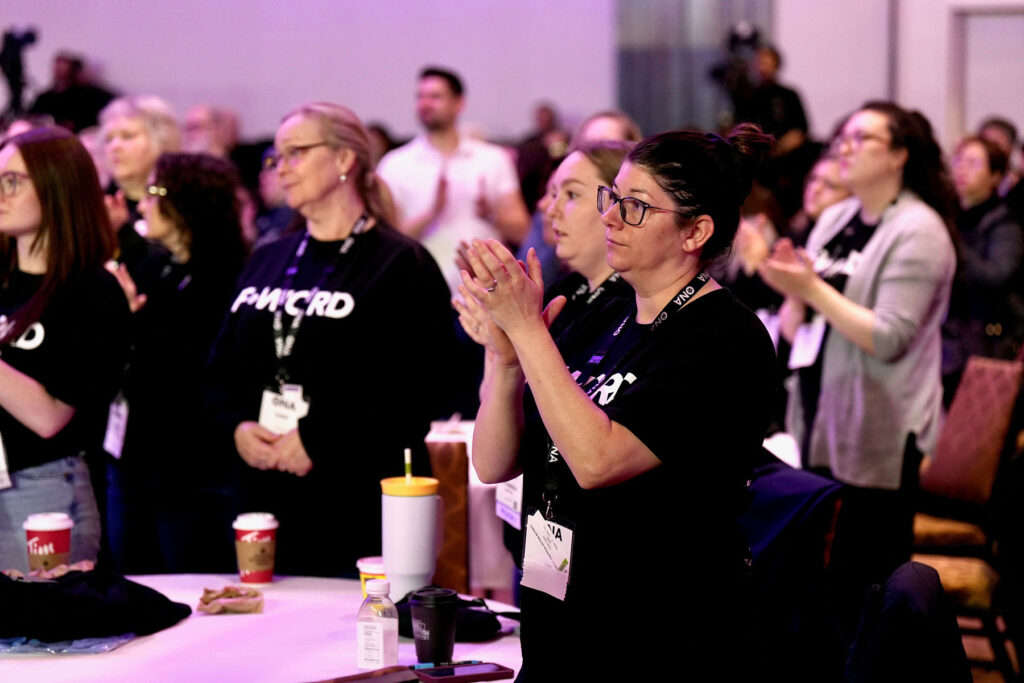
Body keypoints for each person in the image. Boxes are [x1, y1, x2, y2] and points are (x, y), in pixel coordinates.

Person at [459, 125, 777, 679]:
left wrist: (528, 331)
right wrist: (505, 357)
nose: (610, 217)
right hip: (561, 614)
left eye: (634, 207)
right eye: (613, 199)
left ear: (694, 231)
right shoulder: (605, 312)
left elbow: (597, 460)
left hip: (663, 636)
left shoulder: (723, 337)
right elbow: (492, 463)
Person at [206, 102, 455, 578]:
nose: (282, 169)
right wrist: (236, 427)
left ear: (344, 160)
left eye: (296, 153)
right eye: (276, 158)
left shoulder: (400, 264)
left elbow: (420, 388)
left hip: (351, 495)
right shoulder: (268, 257)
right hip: (260, 490)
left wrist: (321, 439)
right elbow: (220, 366)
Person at [759, 101, 956, 620]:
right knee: (821, 585)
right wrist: (785, 281)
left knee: (867, 584)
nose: (843, 146)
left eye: (861, 138)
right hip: (822, 414)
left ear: (898, 156)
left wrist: (810, 288)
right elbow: (803, 314)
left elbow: (889, 336)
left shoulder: (920, 230)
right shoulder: (838, 218)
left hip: (882, 430)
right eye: (842, 135)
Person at [106, 152, 249, 573]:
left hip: (192, 468)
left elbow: (193, 370)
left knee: (186, 580)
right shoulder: (155, 265)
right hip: (137, 458)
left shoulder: (227, 277)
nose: (144, 203)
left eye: (156, 192)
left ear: (188, 203)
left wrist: (134, 322)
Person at [0, 127, 130, 572]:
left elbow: (50, 416)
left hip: (42, 484)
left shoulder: (91, 291)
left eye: (13, 181)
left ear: (58, 186)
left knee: (42, 637)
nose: (1, 193)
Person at [377, 66, 530, 294]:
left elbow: (524, 231)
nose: (425, 103)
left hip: (484, 295)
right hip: (419, 293)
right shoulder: (394, 164)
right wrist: (430, 213)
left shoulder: (492, 159)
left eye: (435, 97)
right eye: (421, 96)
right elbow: (383, 242)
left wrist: (491, 213)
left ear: (459, 103)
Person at [942, 136, 1024, 398]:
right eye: (958, 161)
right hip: (946, 338)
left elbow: (997, 277)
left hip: (987, 340)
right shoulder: (946, 214)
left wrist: (953, 243)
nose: (962, 170)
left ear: (995, 176)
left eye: (974, 164)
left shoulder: (1005, 224)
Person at [98, 95, 181, 278]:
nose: (115, 147)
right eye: (108, 139)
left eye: (127, 136)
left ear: (161, 140)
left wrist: (124, 232)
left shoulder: (178, 202)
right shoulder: (96, 204)